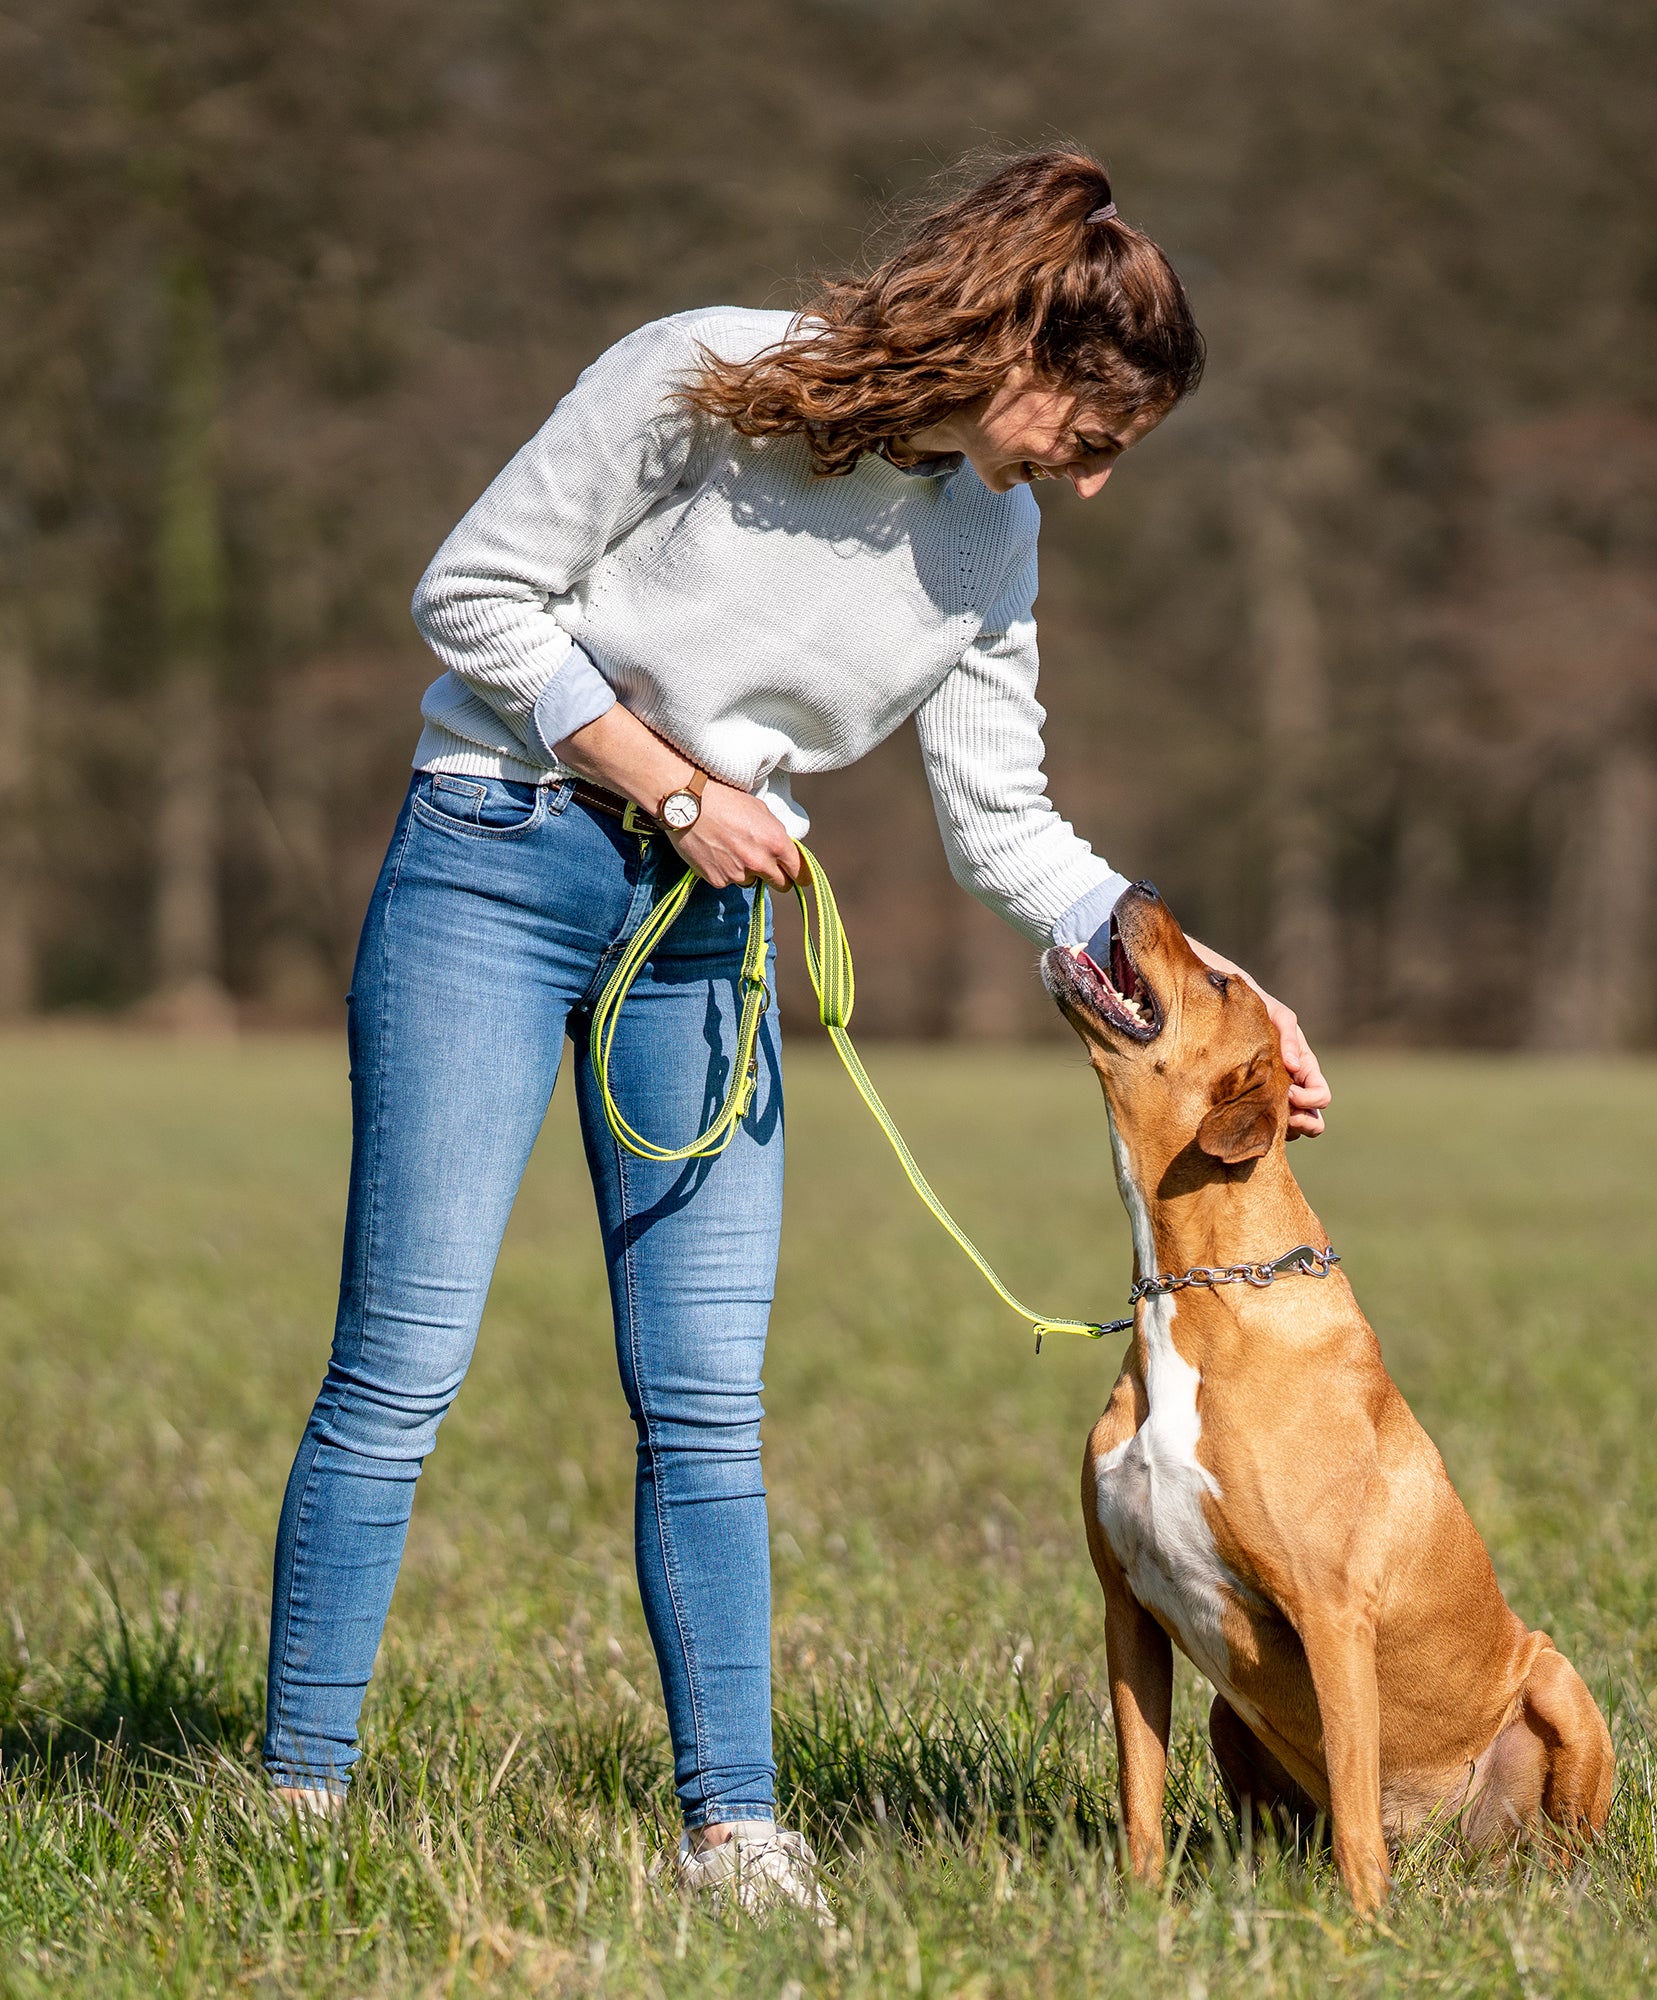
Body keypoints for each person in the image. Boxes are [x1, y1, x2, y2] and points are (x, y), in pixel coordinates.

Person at [261, 148, 1331, 1915]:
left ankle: (735, 1832)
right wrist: (677, 788)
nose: (1099, 473)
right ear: (1010, 347)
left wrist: (1218, 987)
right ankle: (291, 1803)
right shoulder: (699, 375)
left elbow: (1007, 830)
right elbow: (472, 597)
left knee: (707, 1404)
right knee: (404, 1364)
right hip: (495, 865)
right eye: (1097, 425)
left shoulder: (995, 532)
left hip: (706, 935)